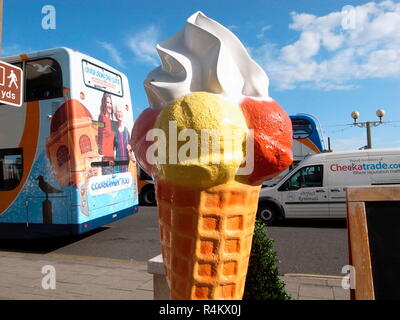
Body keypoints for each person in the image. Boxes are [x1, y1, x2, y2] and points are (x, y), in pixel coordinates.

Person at [98, 93, 115, 175]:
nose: (109, 105)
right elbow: (99, 135)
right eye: (107, 103)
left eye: (111, 103)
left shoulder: (111, 121)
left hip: (112, 161)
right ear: (104, 103)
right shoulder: (101, 118)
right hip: (105, 161)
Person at [113, 104, 131, 173]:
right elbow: (112, 149)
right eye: (118, 112)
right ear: (115, 114)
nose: (119, 114)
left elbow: (130, 147)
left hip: (127, 164)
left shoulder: (127, 131)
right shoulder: (114, 131)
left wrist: (130, 147)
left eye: (121, 112)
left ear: (123, 113)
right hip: (117, 165)